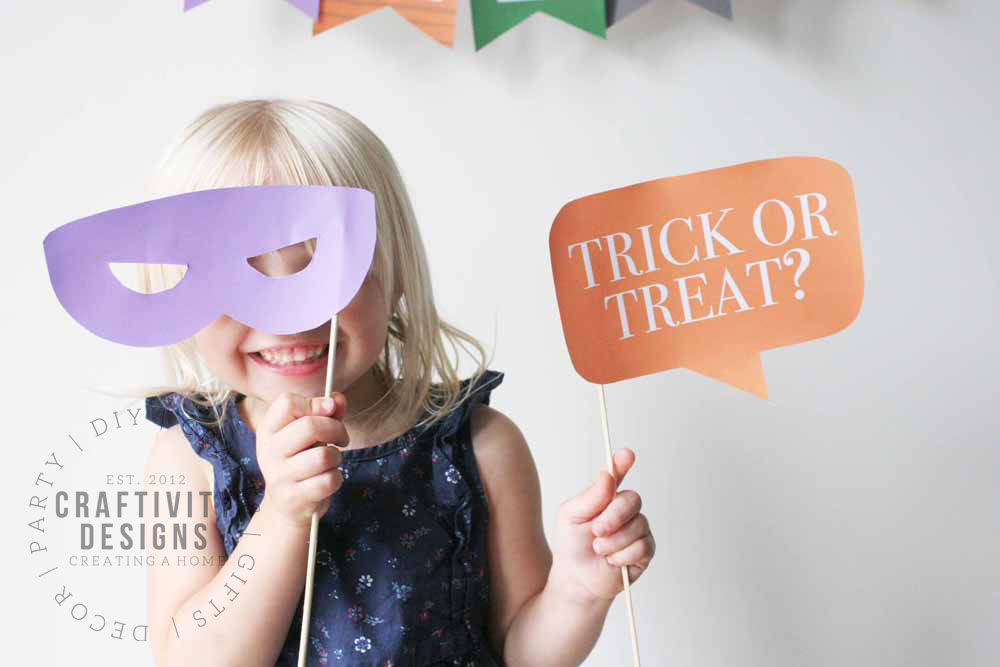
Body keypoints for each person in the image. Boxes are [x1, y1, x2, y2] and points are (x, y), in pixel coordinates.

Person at [140, 98, 655, 666]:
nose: (290, 316)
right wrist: (282, 516)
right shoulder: (186, 461)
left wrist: (578, 592)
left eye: (327, 266)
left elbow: (521, 656)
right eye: (238, 272)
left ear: (397, 271)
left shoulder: (481, 446)